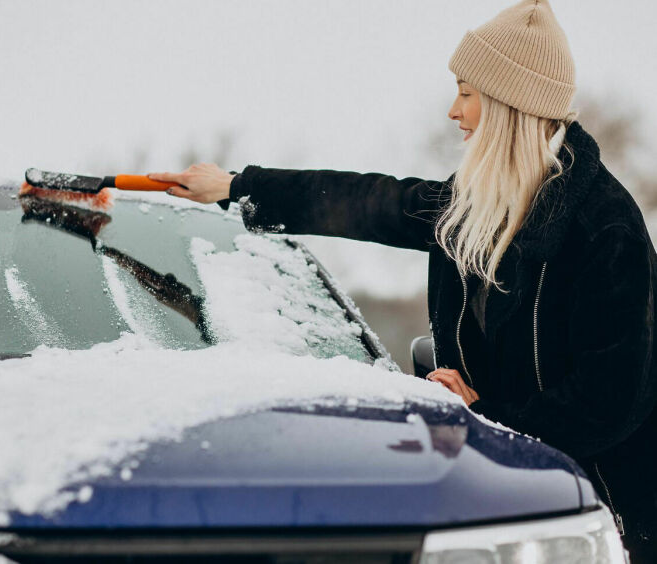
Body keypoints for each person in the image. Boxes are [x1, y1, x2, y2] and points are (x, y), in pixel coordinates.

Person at [148, 0, 657, 560]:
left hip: (602, 518)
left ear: (510, 104)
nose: (453, 111)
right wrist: (237, 186)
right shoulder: (481, 206)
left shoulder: (605, 231)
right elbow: (373, 202)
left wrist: (480, 415)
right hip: (501, 499)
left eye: (466, 92)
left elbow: (608, 402)